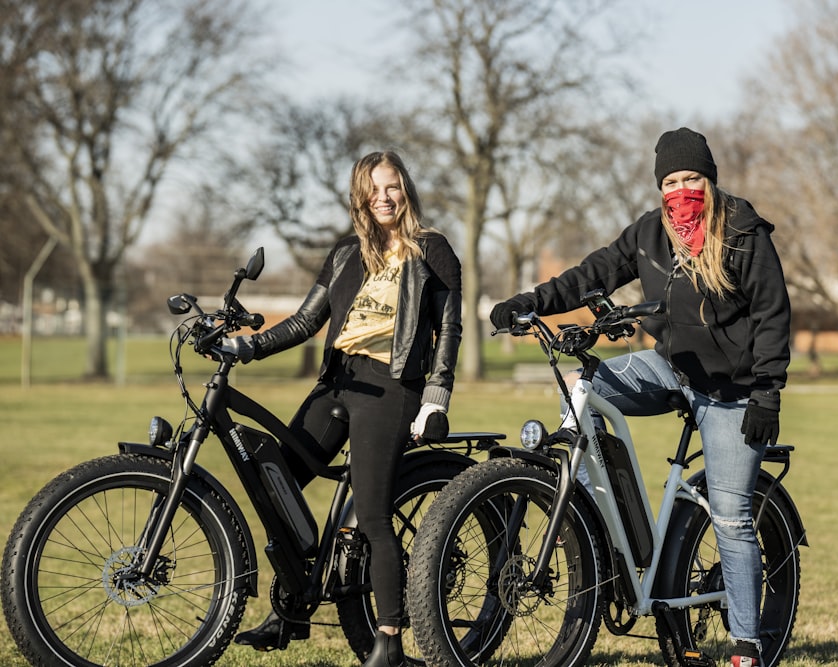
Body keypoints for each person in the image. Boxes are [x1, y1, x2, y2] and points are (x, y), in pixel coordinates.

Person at [490, 127, 790, 667]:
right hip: (672, 369)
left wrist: (767, 393)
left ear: (710, 180)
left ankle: (747, 644)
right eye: (671, 181)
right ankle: (591, 524)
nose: (682, 190)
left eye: (692, 178)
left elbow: (772, 313)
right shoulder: (650, 234)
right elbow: (593, 273)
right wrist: (530, 301)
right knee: (587, 388)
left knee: (730, 515)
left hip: (734, 391)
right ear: (659, 187)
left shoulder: (743, 231)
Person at [224, 150, 462, 667]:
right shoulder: (344, 255)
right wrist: (248, 347)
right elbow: (305, 322)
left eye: (393, 186)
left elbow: (449, 330)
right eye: (374, 188)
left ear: (406, 190)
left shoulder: (432, 250)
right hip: (337, 382)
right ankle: (290, 611)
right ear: (360, 195)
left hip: (391, 388)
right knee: (276, 482)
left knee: (373, 514)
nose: (384, 196)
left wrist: (435, 398)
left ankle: (390, 642)